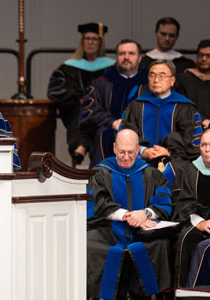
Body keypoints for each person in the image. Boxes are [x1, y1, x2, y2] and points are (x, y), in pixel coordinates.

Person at [87, 129, 172, 299]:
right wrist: (129, 216)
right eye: (121, 152)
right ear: (114, 148)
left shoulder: (151, 173)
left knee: (161, 244)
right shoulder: (100, 172)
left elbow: (164, 201)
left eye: (131, 152)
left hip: (143, 232)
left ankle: (149, 295)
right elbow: (98, 202)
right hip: (107, 229)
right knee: (90, 245)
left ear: (138, 149)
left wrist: (146, 213)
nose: (126, 157)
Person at [121, 60, 203, 185]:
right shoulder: (136, 105)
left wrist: (169, 152)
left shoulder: (185, 107)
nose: (156, 80)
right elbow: (126, 136)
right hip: (140, 159)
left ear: (172, 80)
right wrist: (143, 151)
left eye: (162, 75)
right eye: (152, 75)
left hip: (176, 162)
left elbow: (193, 145)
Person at [47, 22, 115, 166]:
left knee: (97, 115)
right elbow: (54, 91)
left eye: (94, 39)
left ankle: (81, 147)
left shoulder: (111, 67)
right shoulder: (68, 67)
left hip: (105, 111)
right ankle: (83, 146)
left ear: (100, 43)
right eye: (87, 38)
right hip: (78, 110)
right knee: (84, 112)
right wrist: (78, 97)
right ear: (82, 41)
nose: (90, 42)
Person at [79, 39, 149, 168]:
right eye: (122, 54)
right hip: (107, 135)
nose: (126, 57)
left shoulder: (149, 84)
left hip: (142, 135)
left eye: (131, 53)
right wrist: (113, 122)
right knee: (103, 135)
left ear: (139, 58)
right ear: (116, 57)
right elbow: (89, 113)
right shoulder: (100, 84)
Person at [173, 128, 210, 289]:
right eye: (203, 145)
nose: (207, 150)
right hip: (196, 222)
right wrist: (200, 222)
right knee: (185, 238)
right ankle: (184, 291)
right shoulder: (188, 171)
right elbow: (181, 203)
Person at [175, 39, 210, 128]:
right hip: (191, 129)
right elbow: (181, 105)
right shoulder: (184, 79)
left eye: (208, 56)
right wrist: (202, 120)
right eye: (200, 55)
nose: (203, 59)